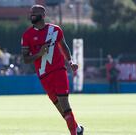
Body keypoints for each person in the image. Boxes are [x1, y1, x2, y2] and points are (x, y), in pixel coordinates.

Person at [21, 5, 84, 135]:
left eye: (35, 12)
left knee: (64, 104)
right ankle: (77, 128)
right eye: (31, 12)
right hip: (43, 76)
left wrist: (70, 61)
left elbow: (64, 46)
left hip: (59, 71)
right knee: (61, 109)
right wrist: (39, 54)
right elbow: (26, 59)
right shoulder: (27, 35)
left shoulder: (55, 30)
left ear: (43, 15)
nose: (32, 14)